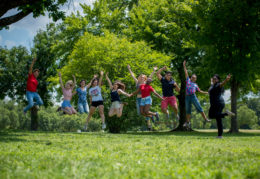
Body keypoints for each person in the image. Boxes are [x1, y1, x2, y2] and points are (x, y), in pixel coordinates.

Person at [183, 60, 211, 127]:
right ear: (191, 77)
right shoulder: (188, 80)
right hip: (187, 97)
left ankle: (205, 119)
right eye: (192, 77)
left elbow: (200, 91)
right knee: (188, 110)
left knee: (199, 107)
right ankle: (188, 122)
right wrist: (184, 66)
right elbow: (186, 72)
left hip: (193, 96)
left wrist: (207, 92)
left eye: (194, 78)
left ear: (195, 79)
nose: (193, 78)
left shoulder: (195, 85)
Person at [208, 74, 235, 138]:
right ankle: (220, 135)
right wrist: (211, 81)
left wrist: (226, 80)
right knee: (217, 118)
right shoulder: (213, 85)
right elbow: (211, 84)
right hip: (216, 103)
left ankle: (226, 114)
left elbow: (222, 84)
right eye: (213, 78)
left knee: (213, 116)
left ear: (218, 80)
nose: (214, 79)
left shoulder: (218, 85)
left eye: (215, 79)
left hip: (218, 103)